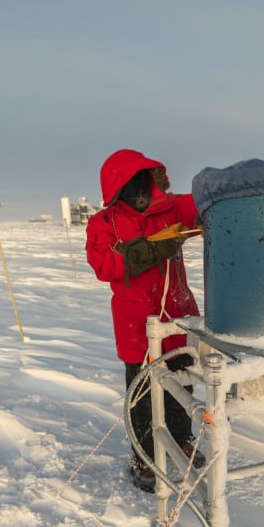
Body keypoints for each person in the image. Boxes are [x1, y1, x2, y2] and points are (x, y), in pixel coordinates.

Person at [85, 149, 204, 492]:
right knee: (141, 394)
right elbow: (104, 265)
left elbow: (205, 204)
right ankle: (145, 459)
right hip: (135, 322)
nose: (140, 193)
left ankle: (181, 441)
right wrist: (151, 249)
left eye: (144, 183)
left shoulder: (171, 208)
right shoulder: (103, 223)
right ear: (116, 190)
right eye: (131, 187)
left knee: (181, 383)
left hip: (176, 316)